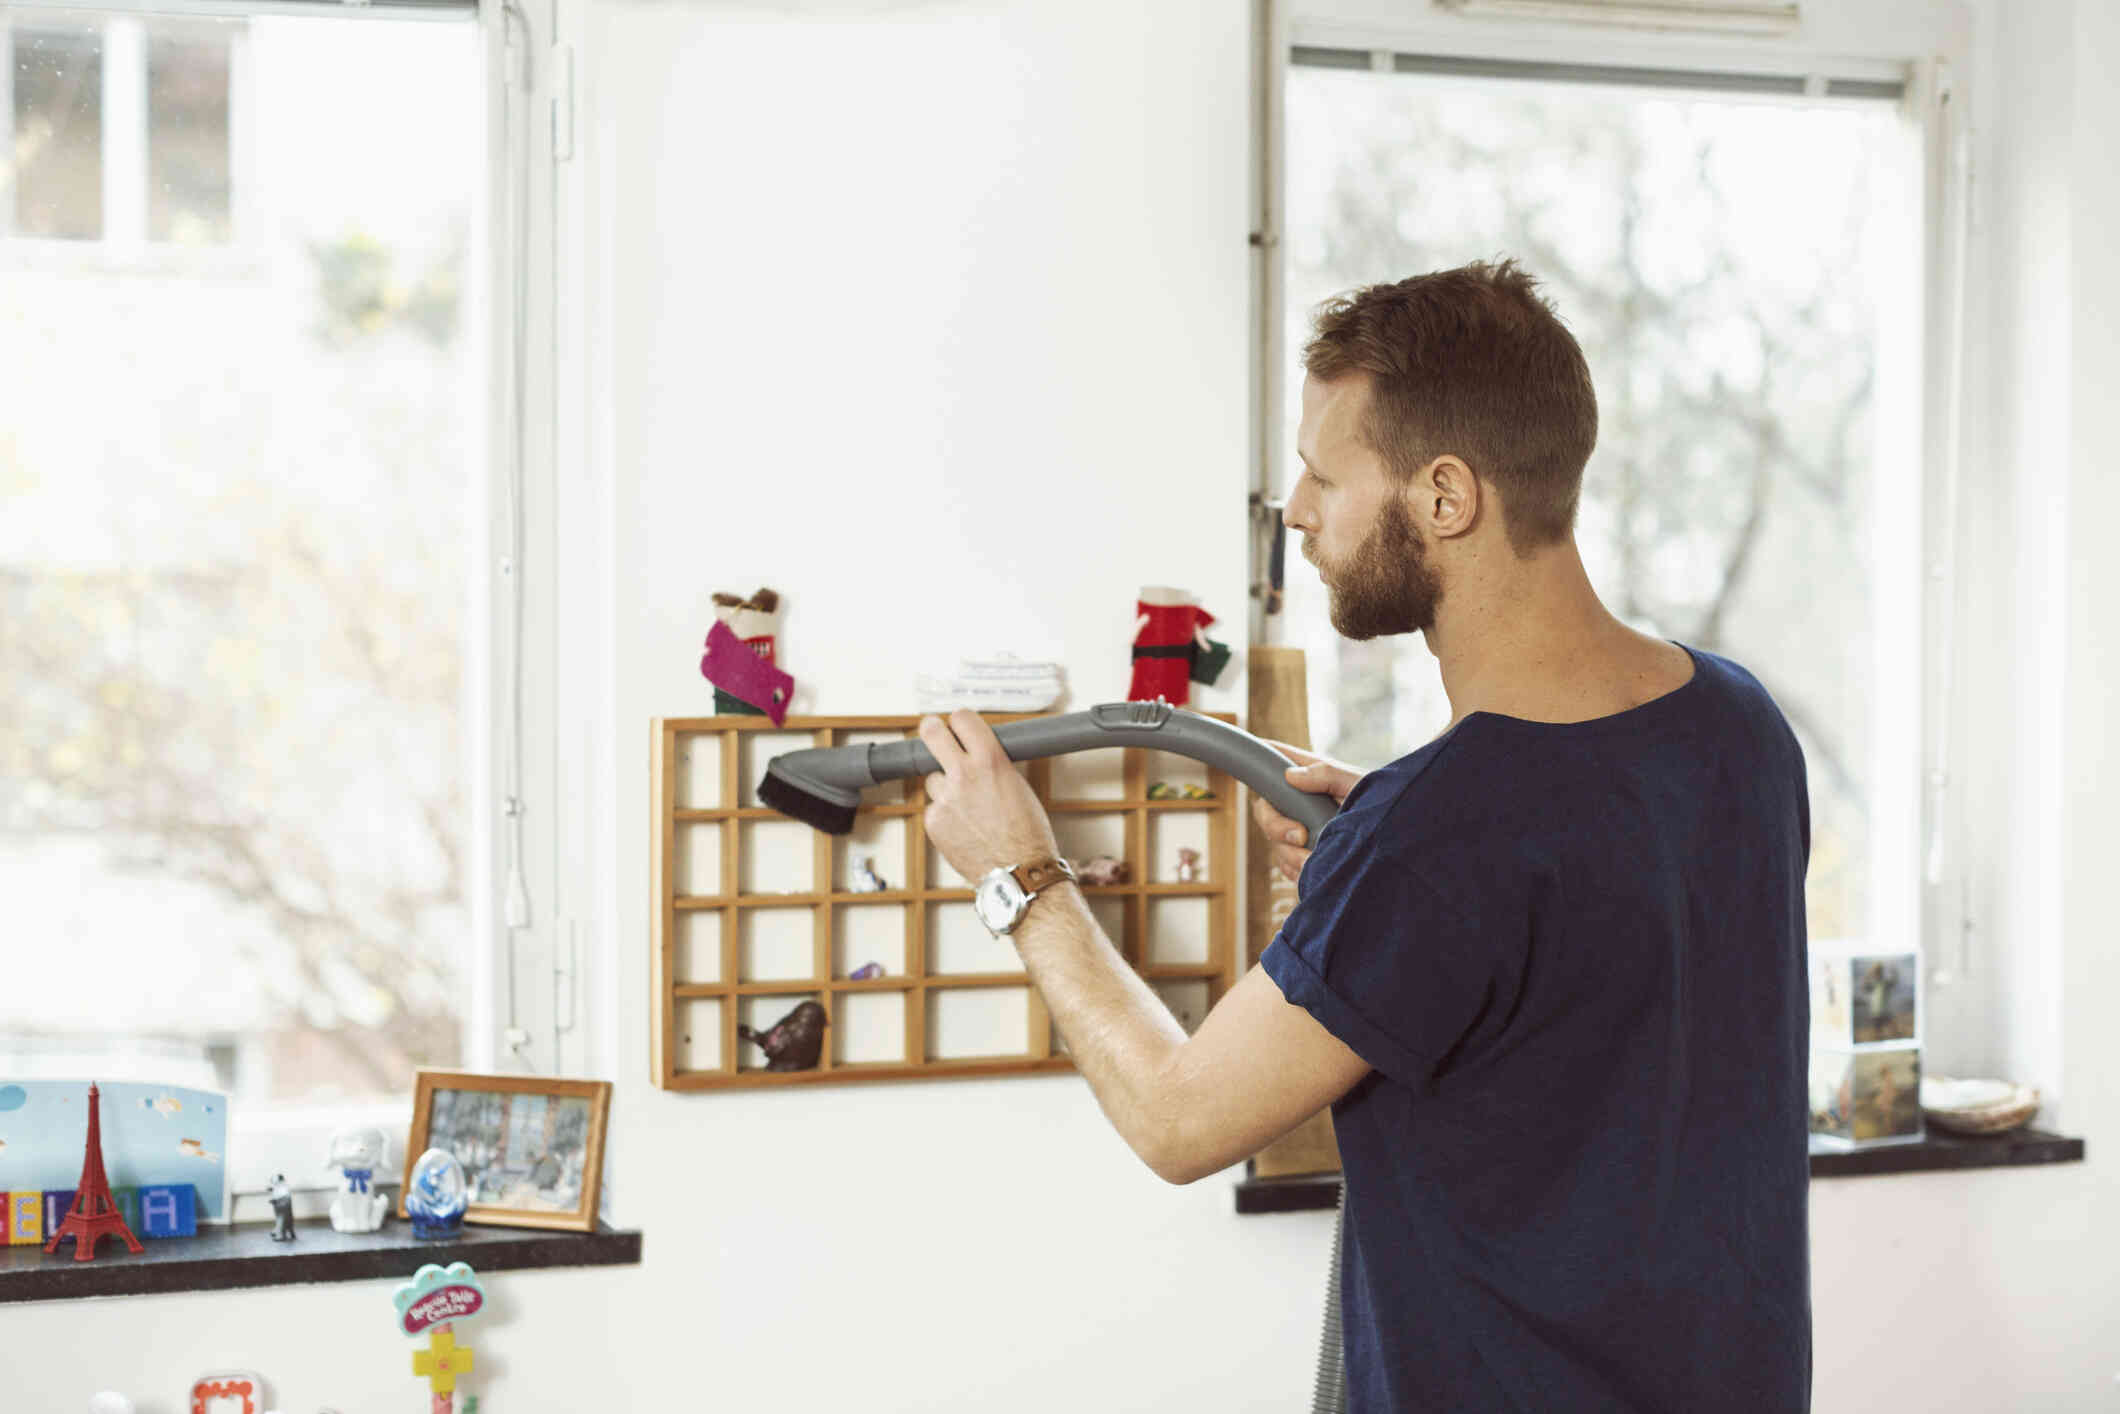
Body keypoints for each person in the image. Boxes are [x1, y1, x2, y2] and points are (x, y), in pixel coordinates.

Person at [917, 259, 1812, 1412]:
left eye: (1322, 473)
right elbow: (1583, 941)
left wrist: (1018, 874)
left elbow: (1178, 1118)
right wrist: (1391, 849)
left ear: (1445, 496)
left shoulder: (1437, 840)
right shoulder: (1733, 721)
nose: (1294, 508)